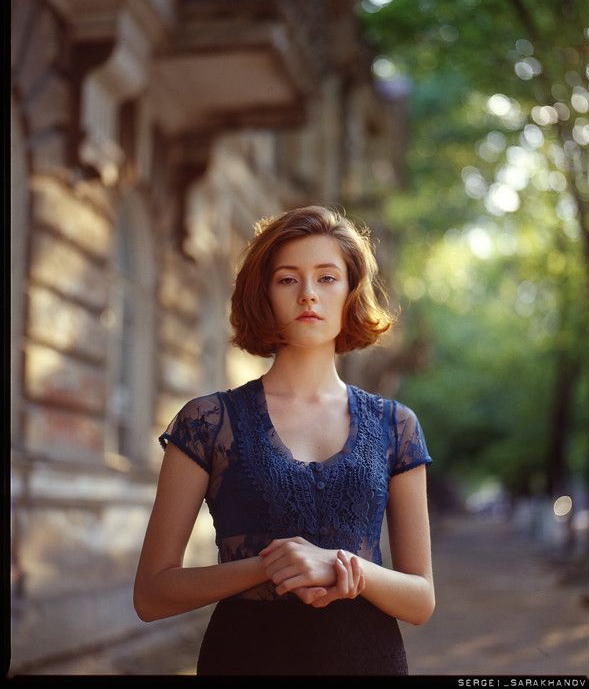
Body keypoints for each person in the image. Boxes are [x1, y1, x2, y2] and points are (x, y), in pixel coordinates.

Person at [133, 204, 434, 676]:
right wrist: (271, 565)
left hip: (368, 661)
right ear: (265, 294)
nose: (308, 295)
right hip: (244, 659)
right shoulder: (208, 421)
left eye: (327, 278)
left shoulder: (396, 425)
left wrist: (337, 565)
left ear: (351, 292)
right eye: (288, 279)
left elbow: (420, 600)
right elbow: (151, 595)